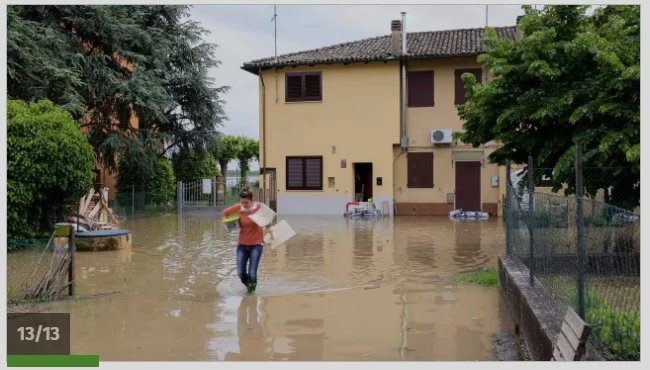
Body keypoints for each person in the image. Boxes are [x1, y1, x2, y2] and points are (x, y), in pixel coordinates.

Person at [221, 187, 267, 293]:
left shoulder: (259, 207)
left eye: (246, 202)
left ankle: (251, 295)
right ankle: (249, 288)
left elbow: (268, 218)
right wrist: (226, 223)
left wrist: (267, 225)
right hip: (242, 246)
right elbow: (224, 213)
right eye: (242, 202)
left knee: (252, 273)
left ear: (252, 200)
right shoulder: (239, 207)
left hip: (256, 245)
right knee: (241, 273)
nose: (244, 205)